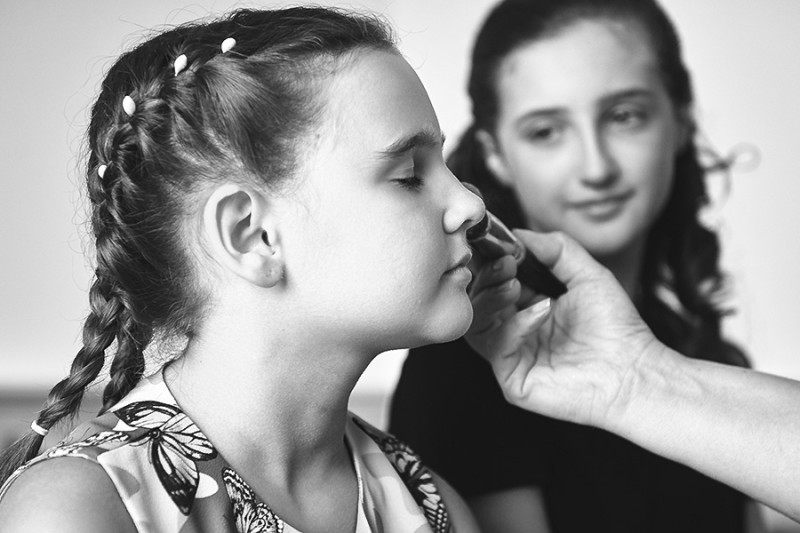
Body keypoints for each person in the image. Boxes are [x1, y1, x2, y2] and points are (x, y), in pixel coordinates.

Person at [0, 7, 486, 532]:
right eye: (410, 175)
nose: (470, 205)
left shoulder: (430, 507)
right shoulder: (79, 511)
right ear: (251, 235)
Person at [389, 0, 763, 531]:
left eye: (625, 116)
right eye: (546, 131)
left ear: (680, 121)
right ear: (495, 153)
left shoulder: (715, 360)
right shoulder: (469, 365)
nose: (596, 167)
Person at [468, 229, 800, 525]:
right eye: (412, 174)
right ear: (496, 159)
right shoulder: (481, 356)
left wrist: (637, 376)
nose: (598, 171)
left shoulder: (690, 339)